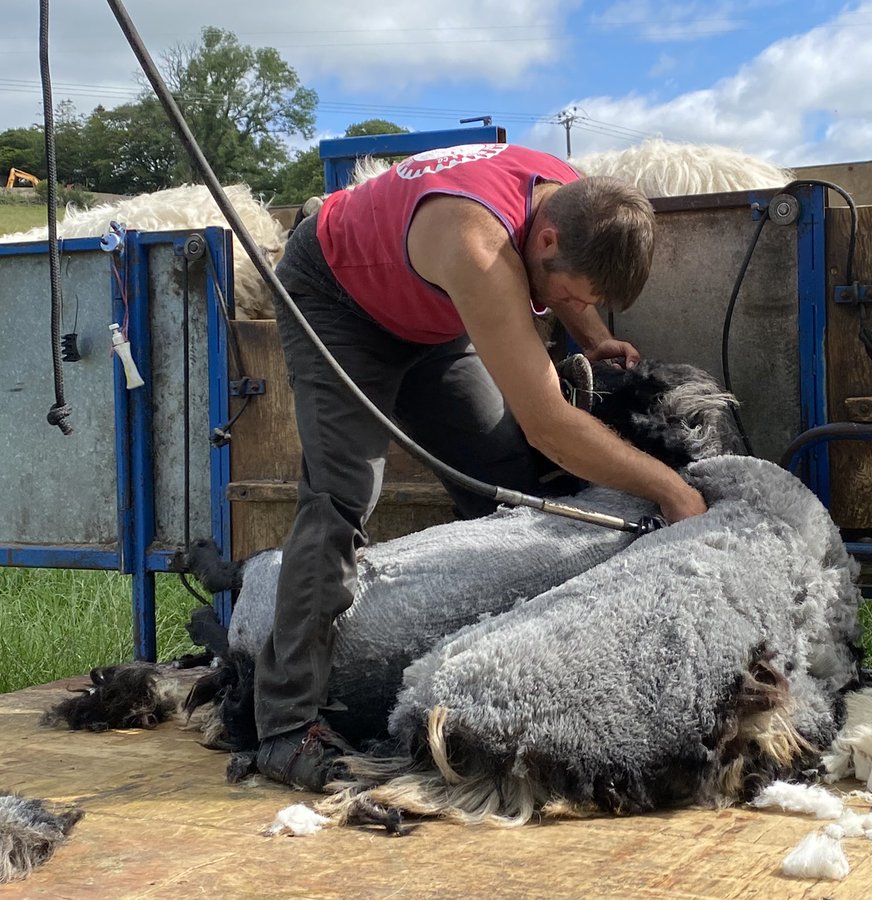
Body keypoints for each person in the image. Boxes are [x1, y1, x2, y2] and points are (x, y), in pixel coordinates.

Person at [254, 142, 708, 790]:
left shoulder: (572, 200)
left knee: (508, 486)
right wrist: (669, 489)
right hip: (337, 299)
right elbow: (549, 425)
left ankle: (501, 687)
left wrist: (591, 336)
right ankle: (285, 726)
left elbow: (562, 283)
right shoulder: (477, 243)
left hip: (431, 315)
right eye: (566, 293)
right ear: (544, 237)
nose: (565, 302)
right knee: (343, 495)